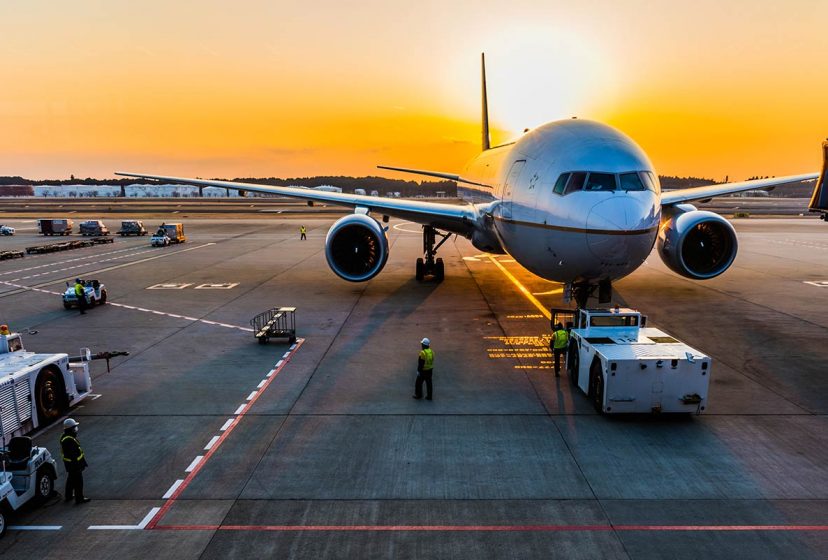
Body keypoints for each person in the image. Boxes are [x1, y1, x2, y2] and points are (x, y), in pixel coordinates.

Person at [60, 418, 90, 504]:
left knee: (71, 480)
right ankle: (79, 498)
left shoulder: (64, 437)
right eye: (74, 428)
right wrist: (78, 466)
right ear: (70, 429)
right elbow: (73, 455)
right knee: (78, 482)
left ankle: (68, 496)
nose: (76, 430)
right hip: (74, 465)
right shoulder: (69, 440)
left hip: (69, 464)